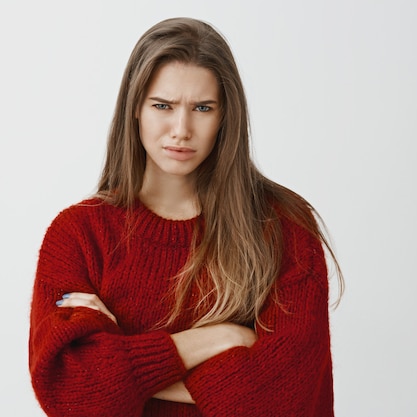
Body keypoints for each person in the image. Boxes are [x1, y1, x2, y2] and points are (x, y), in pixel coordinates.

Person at [29, 17, 343, 417]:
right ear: (135, 110)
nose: (181, 129)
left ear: (225, 116)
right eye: (163, 105)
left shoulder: (283, 227)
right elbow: (70, 390)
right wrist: (218, 339)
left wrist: (122, 358)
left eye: (202, 108)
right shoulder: (77, 234)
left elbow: (285, 399)